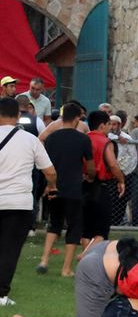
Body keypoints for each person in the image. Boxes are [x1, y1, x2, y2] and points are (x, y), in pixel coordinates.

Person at [0, 98, 57, 306]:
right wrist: (52, 186)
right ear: (17, 116)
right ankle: (1, 294)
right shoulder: (30, 139)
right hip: (19, 202)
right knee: (9, 249)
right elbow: (49, 171)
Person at [38, 104, 95, 277]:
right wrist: (90, 176)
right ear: (77, 118)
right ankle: (66, 269)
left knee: (54, 223)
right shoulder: (83, 139)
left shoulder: (52, 138)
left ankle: (44, 260)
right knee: (74, 226)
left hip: (54, 186)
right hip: (73, 188)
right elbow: (90, 166)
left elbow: (45, 163)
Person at [81, 110, 126, 253]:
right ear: (102, 125)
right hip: (100, 186)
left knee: (86, 228)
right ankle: (85, 255)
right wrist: (121, 180)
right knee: (101, 229)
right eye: (108, 124)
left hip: (83, 185)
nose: (110, 127)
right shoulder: (105, 142)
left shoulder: (83, 139)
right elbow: (112, 164)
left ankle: (86, 257)